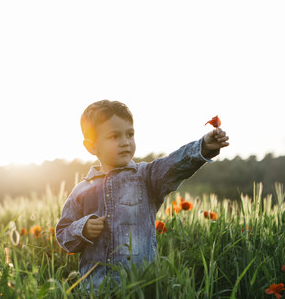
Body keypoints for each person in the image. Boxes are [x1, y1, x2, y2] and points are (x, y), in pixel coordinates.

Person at [55, 100, 229, 293]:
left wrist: (203, 147)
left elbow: (175, 164)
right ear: (91, 147)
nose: (125, 142)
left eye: (130, 134)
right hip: (96, 291)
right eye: (114, 136)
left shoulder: (146, 176)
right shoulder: (81, 191)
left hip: (141, 287)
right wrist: (83, 228)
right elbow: (63, 234)